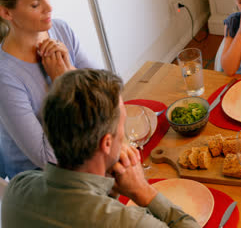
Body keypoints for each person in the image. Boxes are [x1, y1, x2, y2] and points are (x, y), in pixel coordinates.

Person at [1, 69, 200, 228]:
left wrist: (110, 189)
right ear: (106, 143)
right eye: (122, 126)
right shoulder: (133, 223)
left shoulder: (17, 188)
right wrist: (144, 192)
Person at [0, 0, 95, 178]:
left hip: (82, 146)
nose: (49, 7)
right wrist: (64, 87)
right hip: (42, 181)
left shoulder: (60, 29)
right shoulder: (5, 77)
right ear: (6, 12)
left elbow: (109, 91)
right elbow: (49, 160)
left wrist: (69, 72)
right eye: (35, 4)